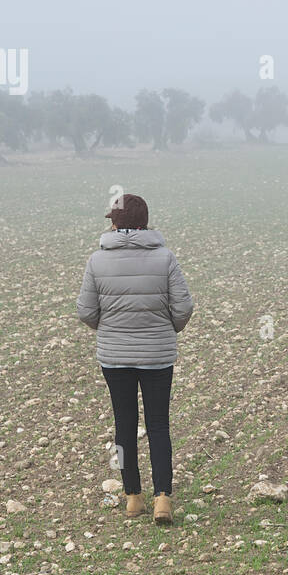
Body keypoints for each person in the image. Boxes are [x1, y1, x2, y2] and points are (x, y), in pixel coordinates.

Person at [76, 193, 194, 524]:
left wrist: (110, 329)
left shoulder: (96, 261)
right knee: (158, 425)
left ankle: (132, 498)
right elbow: (184, 307)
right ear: (145, 222)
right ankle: (162, 500)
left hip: (114, 358)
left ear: (116, 223)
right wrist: (167, 330)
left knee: (124, 425)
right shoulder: (165, 258)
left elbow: (85, 310)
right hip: (158, 356)